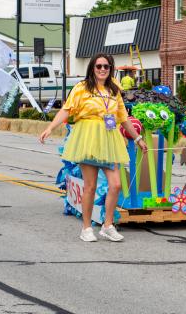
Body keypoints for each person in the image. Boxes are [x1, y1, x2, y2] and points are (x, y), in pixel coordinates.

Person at [40, 53, 148, 243]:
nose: (102, 70)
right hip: (88, 138)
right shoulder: (82, 88)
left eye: (106, 66)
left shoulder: (114, 89)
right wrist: (50, 128)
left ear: (110, 68)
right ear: (92, 68)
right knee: (89, 186)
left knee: (116, 184)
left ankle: (107, 226)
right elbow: (66, 109)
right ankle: (87, 228)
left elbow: (123, 117)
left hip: (109, 138)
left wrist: (138, 138)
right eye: (98, 66)